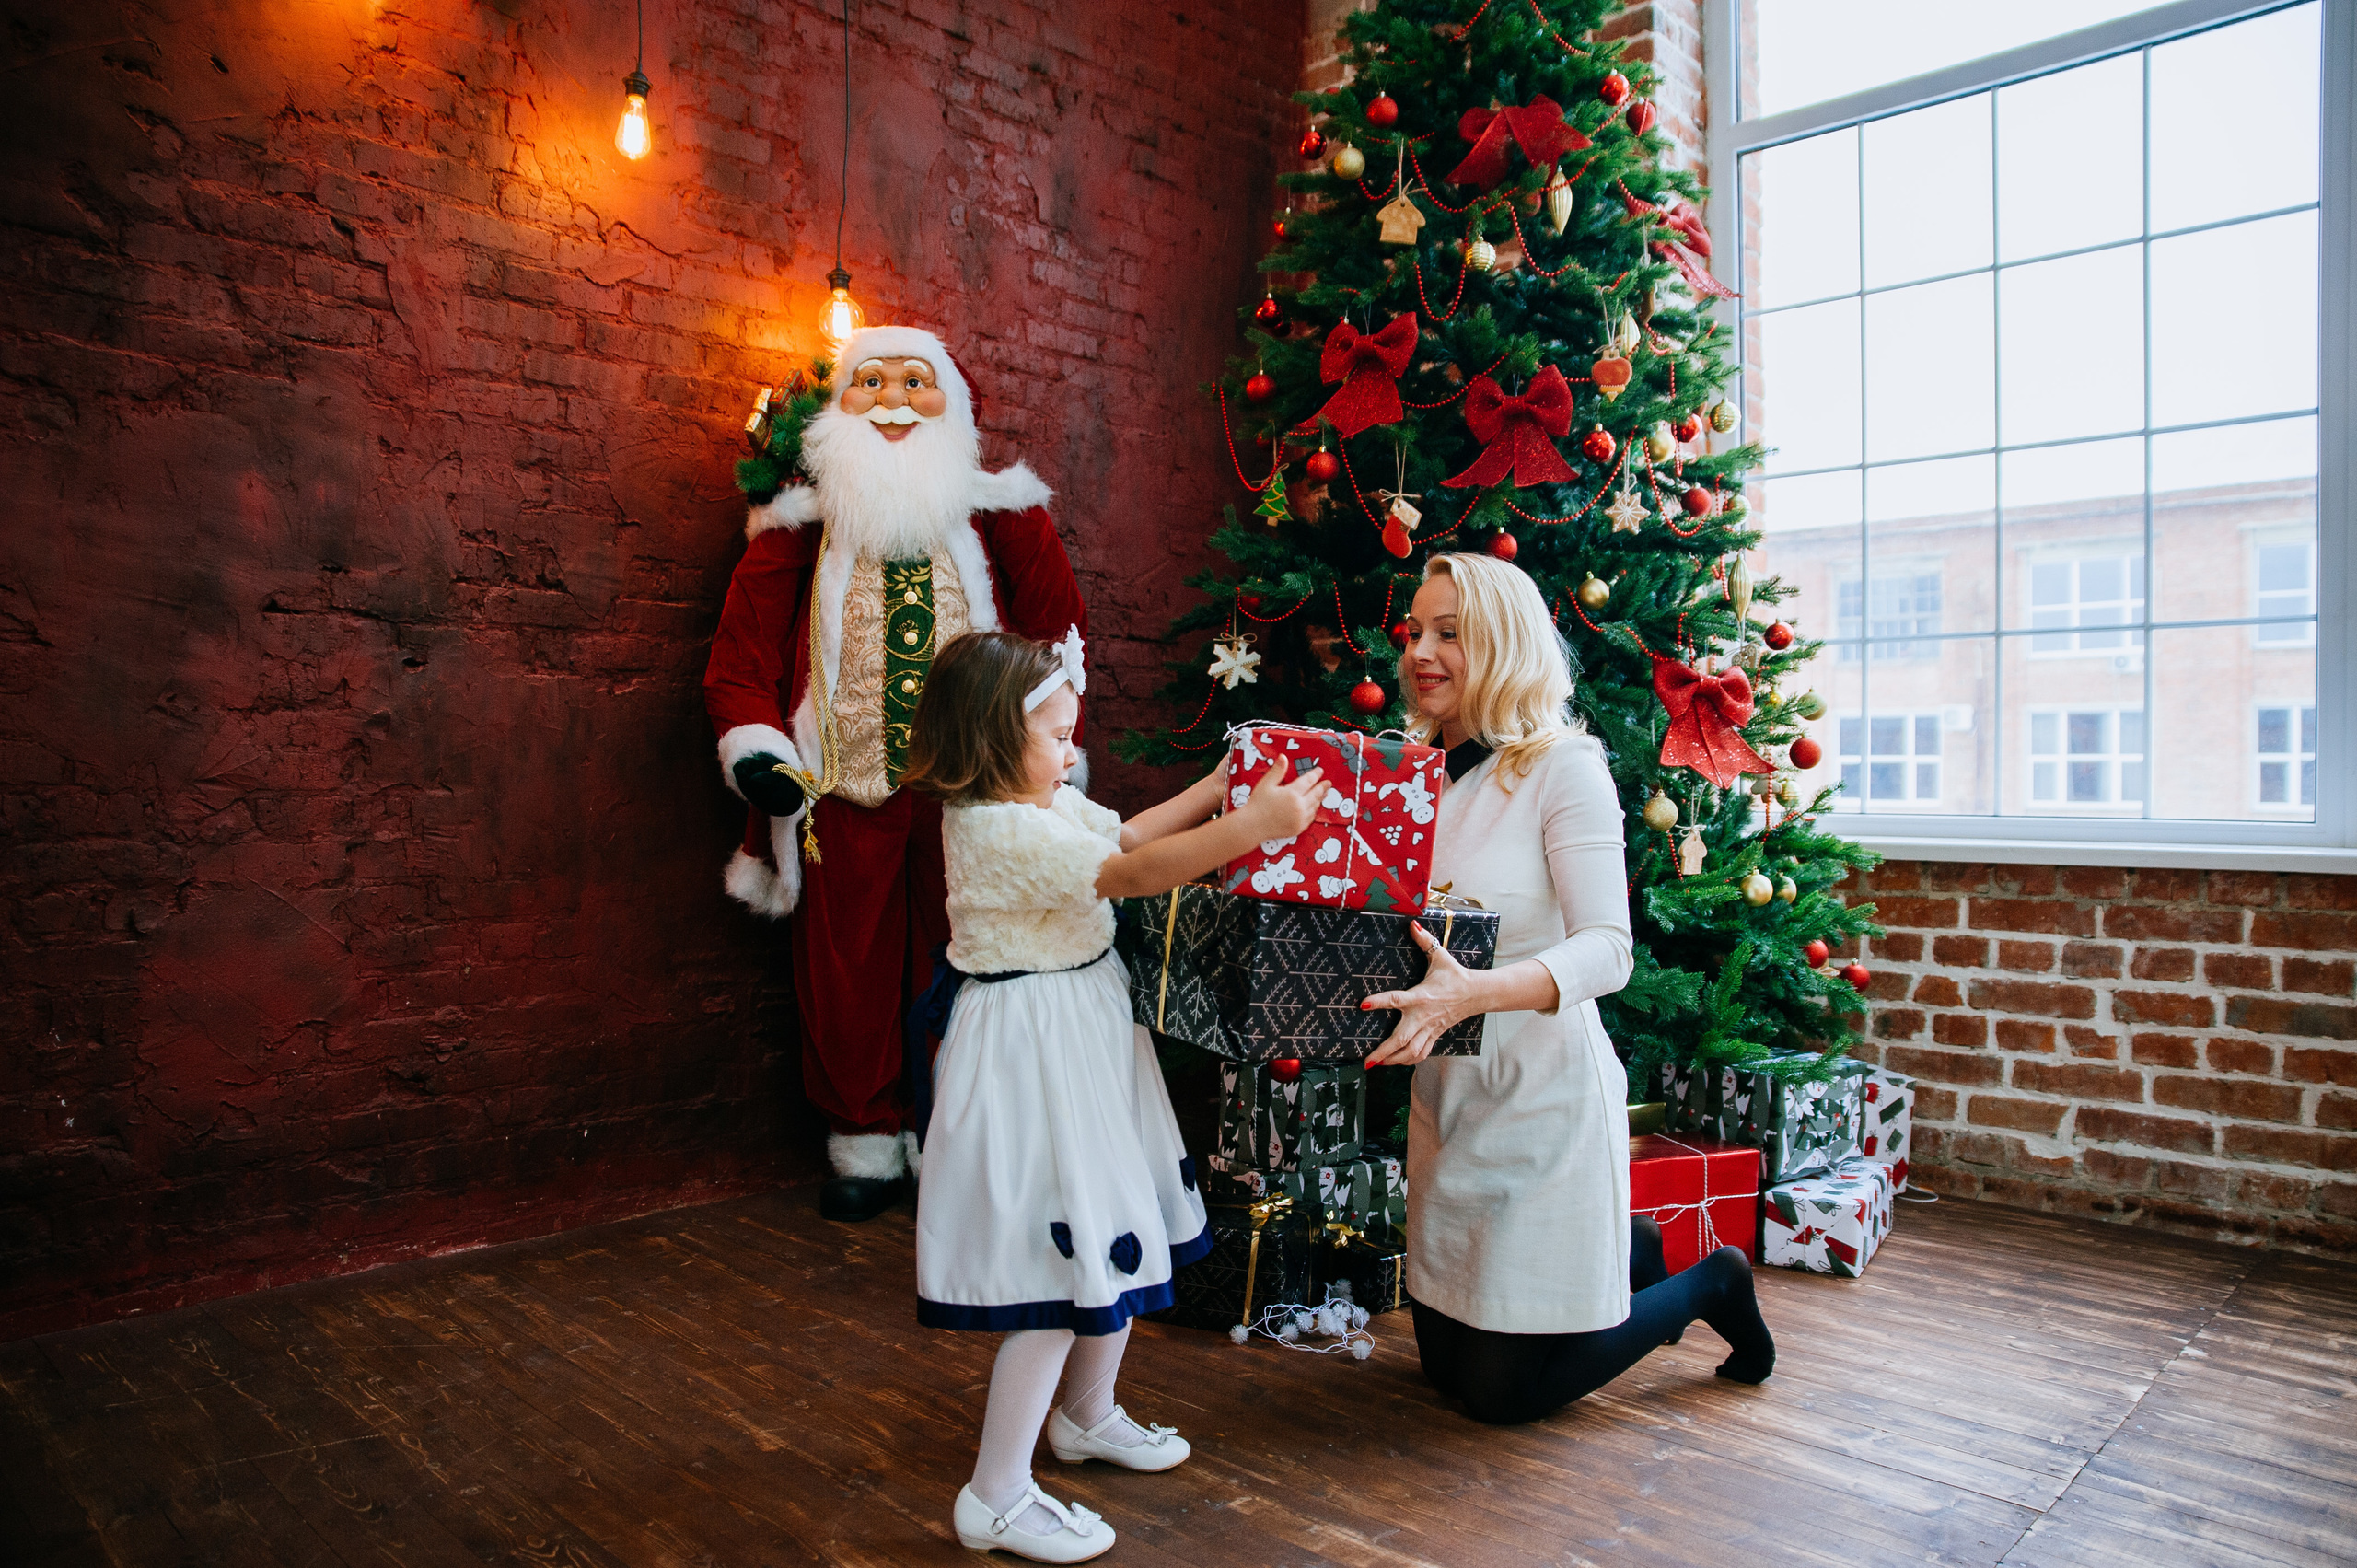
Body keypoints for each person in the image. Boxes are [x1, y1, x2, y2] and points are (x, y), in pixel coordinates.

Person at [900, 627, 1325, 1563]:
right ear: (988, 737)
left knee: (1114, 1226)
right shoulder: (994, 824)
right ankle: (997, 1491)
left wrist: (1220, 788)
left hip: (1084, 1035)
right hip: (1032, 1055)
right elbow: (1129, 874)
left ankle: (1086, 1413)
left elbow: (1125, 830)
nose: (1070, 750)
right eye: (1054, 734)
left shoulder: (1040, 799)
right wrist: (1252, 827)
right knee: (1064, 1272)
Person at [1360, 552, 1775, 1425]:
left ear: (1506, 644)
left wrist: (1471, 995)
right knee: (1442, 1367)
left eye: (1449, 633)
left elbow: (1608, 952)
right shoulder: (1412, 774)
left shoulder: (1564, 768)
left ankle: (1711, 1282)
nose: (1420, 651)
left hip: (1542, 1095)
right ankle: (1629, 1244)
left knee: (1502, 1393)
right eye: (1414, 632)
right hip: (1452, 1092)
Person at [702, 326, 1088, 1222]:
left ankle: (954, 1130)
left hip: (973, 782)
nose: (891, 398)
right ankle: (863, 1138)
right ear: (837, 407)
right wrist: (758, 748)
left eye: (915, 381)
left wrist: (1047, 756)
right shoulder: (800, 522)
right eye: (868, 380)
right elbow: (741, 654)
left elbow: (1058, 637)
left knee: (973, 953)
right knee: (848, 966)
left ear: (952, 402)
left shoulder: (1001, 512)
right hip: (845, 780)